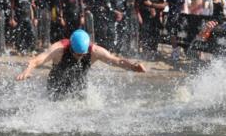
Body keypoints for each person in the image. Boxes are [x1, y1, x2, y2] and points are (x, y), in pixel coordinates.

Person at [16, 29, 145, 100]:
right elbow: (36, 60)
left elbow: (116, 60)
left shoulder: (94, 51)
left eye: (82, 54)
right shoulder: (59, 49)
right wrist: (27, 71)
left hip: (79, 85)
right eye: (77, 54)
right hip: (56, 85)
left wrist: (133, 67)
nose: (80, 57)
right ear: (71, 47)